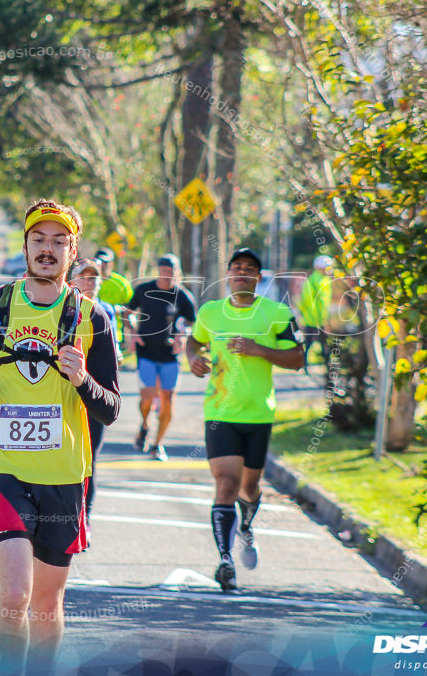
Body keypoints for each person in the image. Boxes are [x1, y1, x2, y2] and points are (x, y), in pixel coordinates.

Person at [0, 199, 120, 674]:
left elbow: (111, 410)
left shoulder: (92, 318)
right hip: (4, 469)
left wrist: (83, 380)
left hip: (65, 475)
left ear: (72, 251)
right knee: (16, 591)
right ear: (24, 245)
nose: (47, 250)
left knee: (46, 605)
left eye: (58, 242)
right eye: (39, 240)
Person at [186, 247, 304, 592]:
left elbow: (297, 358)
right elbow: (194, 343)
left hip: (258, 414)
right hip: (219, 412)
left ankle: (247, 527)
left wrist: (259, 350)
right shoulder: (210, 312)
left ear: (258, 277)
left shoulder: (277, 313)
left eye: (248, 269)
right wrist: (194, 359)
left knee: (248, 489)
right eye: (236, 268)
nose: (241, 273)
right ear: (227, 275)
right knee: (225, 483)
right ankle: (225, 560)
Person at [124, 253, 197, 461]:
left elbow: (192, 322)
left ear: (177, 273)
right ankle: (145, 425)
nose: (167, 275)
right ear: (159, 271)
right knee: (147, 398)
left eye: (171, 272)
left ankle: (158, 444)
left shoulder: (182, 296)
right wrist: (133, 332)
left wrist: (182, 336)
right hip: (146, 352)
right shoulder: (144, 290)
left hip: (170, 356)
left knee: (167, 400)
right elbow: (127, 312)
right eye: (164, 271)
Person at [69, 258, 117, 520]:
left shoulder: (105, 312)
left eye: (93, 277)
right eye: (83, 276)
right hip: (64, 396)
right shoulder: (62, 310)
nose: (89, 282)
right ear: (71, 280)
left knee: (89, 459)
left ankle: (84, 516)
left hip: (94, 394)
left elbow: (114, 351)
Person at [296, 255, 334, 366]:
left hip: (319, 319)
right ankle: (306, 364)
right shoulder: (314, 280)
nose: (329, 270)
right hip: (312, 319)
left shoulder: (325, 280)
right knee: (310, 343)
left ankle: (324, 366)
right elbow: (305, 300)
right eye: (326, 267)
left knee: (321, 343)